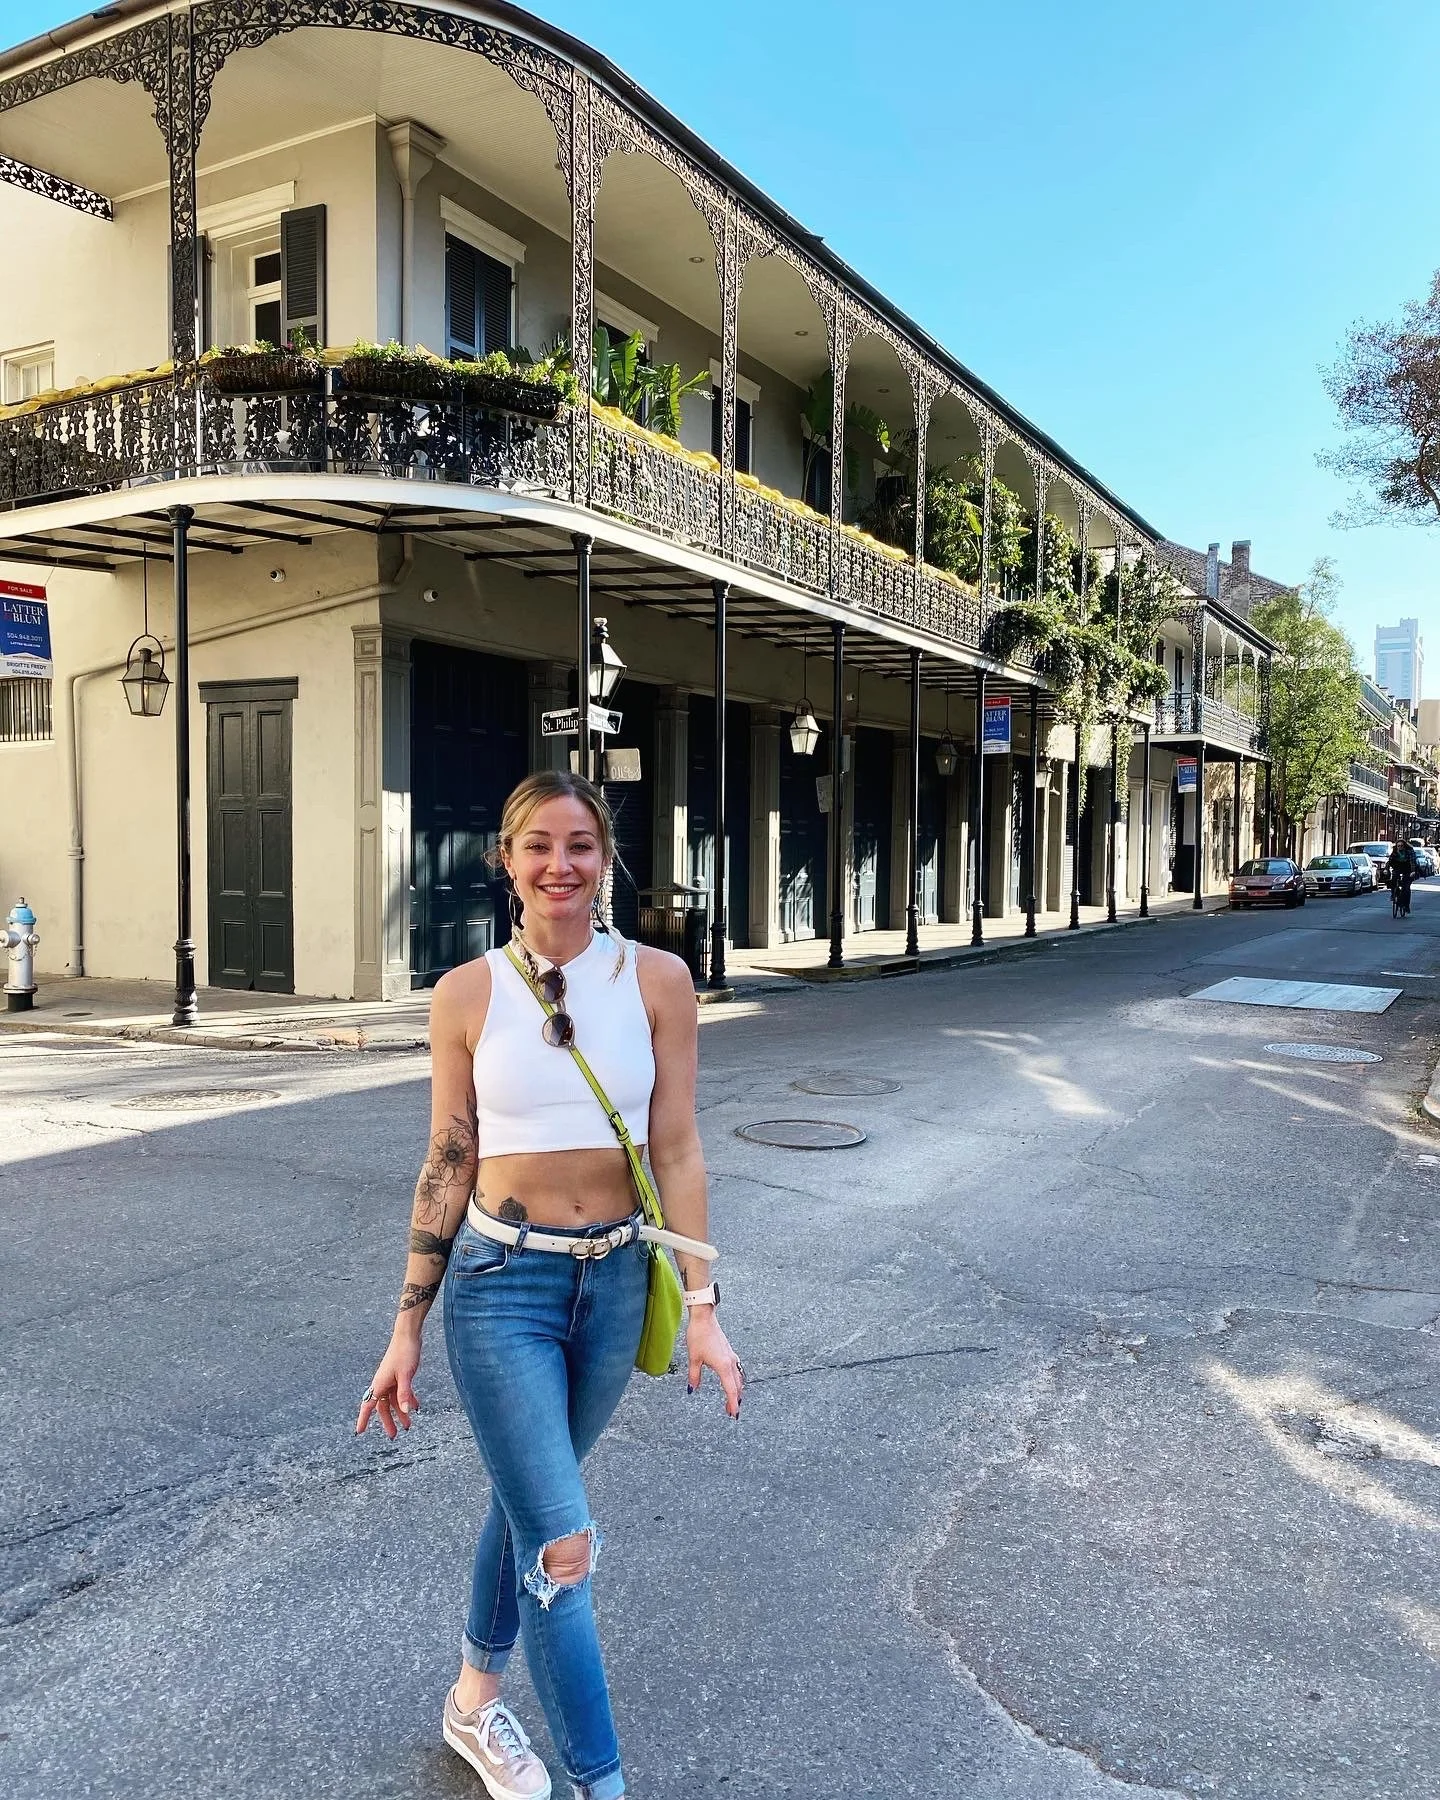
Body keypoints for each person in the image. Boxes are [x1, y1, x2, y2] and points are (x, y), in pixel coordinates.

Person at [357, 770, 743, 1800]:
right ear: (506, 858)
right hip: (500, 1285)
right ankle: (599, 1784)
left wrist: (702, 1311)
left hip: (616, 1285)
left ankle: (474, 1699)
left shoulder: (658, 981)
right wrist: (406, 1327)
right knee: (562, 1544)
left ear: (605, 856)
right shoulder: (466, 995)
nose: (558, 865)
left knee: (529, 1503)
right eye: (537, 845)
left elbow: (679, 1149)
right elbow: (448, 1158)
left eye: (578, 844)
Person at [1391, 833, 1417, 915]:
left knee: (1406, 888)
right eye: (1398, 846)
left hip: (1408, 869)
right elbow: (1390, 860)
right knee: (1393, 879)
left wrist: (1413, 871)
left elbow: (1412, 862)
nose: (1400, 847)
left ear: (1404, 846)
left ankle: (1406, 905)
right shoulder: (1395, 851)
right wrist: (1386, 869)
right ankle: (1393, 894)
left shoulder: (1409, 851)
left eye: (1401, 846)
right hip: (1398, 868)